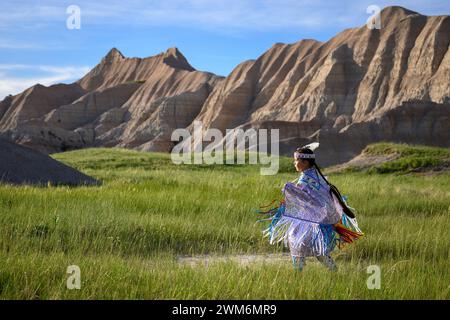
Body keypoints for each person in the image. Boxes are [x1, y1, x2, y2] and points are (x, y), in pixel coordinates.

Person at [257, 142, 363, 271]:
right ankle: (333, 271)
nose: (294, 163)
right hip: (320, 220)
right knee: (318, 249)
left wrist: (289, 189)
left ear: (305, 163)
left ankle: (299, 273)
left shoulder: (306, 179)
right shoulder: (317, 176)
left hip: (311, 220)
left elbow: (307, 198)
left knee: (296, 241)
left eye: (296, 160)